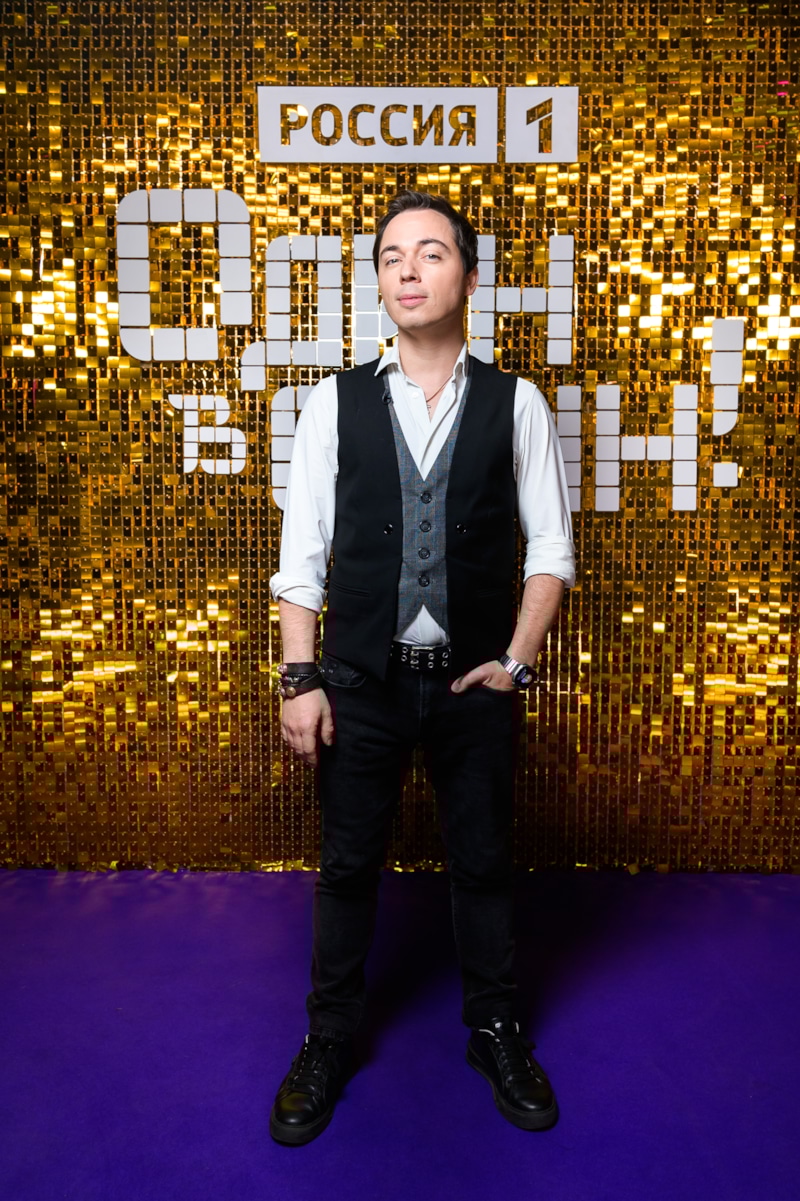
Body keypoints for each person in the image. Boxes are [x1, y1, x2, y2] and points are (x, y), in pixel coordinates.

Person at [268, 190, 576, 1145]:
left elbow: (551, 549)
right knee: (347, 866)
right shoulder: (335, 401)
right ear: (378, 281)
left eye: (431, 252)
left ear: (469, 279)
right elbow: (301, 554)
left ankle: (495, 1028)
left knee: (482, 863)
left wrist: (516, 662)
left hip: (472, 684)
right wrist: (300, 678)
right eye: (392, 256)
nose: (408, 269)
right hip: (359, 682)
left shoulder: (518, 402)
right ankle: (329, 1037)